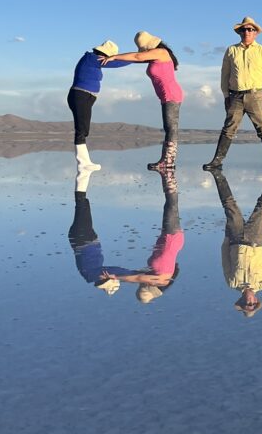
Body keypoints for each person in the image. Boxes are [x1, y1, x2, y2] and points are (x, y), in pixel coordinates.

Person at [204, 16, 262, 171]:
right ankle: (217, 161)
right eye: (244, 29)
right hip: (235, 95)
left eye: (250, 29)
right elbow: (224, 74)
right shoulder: (232, 50)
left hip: (255, 95)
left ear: (255, 33)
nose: (247, 32)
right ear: (239, 32)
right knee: (229, 128)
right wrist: (225, 94)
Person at [102, 31, 184, 170]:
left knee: (171, 128)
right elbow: (135, 58)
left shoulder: (161, 52)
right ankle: (166, 160)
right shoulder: (155, 55)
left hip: (171, 94)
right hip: (167, 95)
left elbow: (137, 56)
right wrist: (113, 60)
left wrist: (114, 56)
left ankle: (168, 162)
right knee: (169, 128)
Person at [99, 169, 184, 303]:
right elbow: (137, 278)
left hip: (170, 238)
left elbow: (136, 275)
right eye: (141, 289)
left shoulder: (159, 278)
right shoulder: (160, 281)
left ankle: (166, 172)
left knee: (169, 204)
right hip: (171, 239)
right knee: (171, 203)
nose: (140, 285)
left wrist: (114, 275)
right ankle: (168, 170)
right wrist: (116, 277)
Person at [210, 168, 262, 319]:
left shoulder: (232, 282)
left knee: (229, 206)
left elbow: (225, 257)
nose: (250, 302)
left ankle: (217, 173)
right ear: (256, 300)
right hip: (256, 240)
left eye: (247, 304)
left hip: (235, 239)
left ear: (241, 301)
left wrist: (226, 238)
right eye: (253, 304)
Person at [67, 40, 131, 172]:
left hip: (84, 97)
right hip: (80, 96)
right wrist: (139, 59)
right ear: (105, 54)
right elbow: (117, 63)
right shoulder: (91, 58)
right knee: (81, 129)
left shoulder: (93, 60)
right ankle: (83, 163)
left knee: (84, 129)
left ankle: (85, 162)